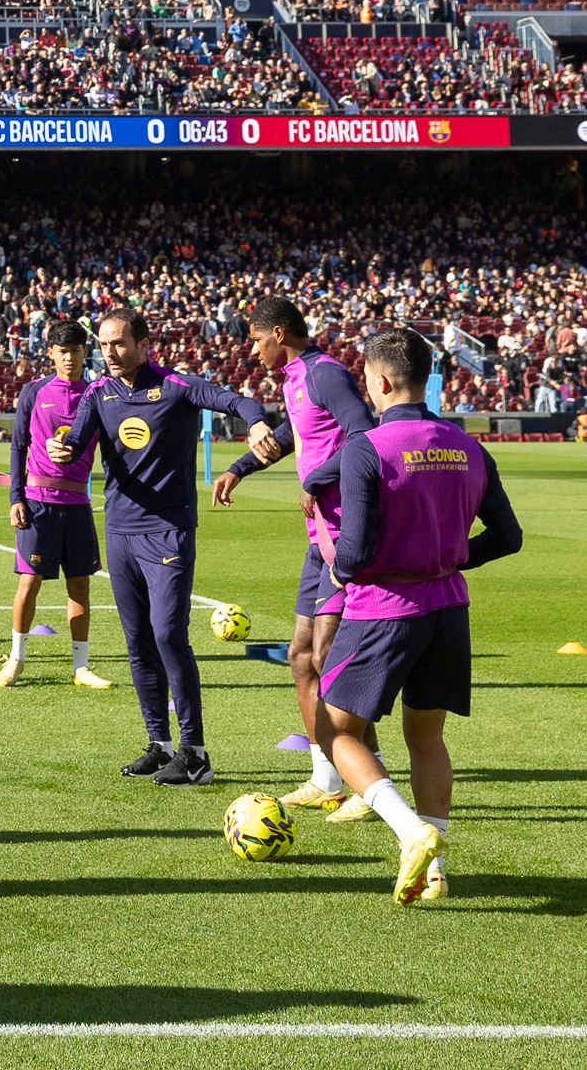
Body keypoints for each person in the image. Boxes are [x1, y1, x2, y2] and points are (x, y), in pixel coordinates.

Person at [315, 327, 525, 906]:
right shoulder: (468, 446)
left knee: (335, 731)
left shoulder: (367, 449)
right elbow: (508, 537)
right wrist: (453, 555)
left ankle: (412, 832)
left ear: (379, 381)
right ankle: (436, 874)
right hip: (449, 608)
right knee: (426, 737)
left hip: (383, 611)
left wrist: (329, 551)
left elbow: (353, 557)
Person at [64, 307, 267, 788]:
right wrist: (65, 449)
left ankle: (195, 752)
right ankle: (159, 744)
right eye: (105, 344)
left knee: (167, 635)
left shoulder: (177, 385)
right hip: (119, 531)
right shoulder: (99, 392)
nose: (110, 353)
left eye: (119, 343)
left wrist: (257, 423)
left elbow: (237, 402)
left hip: (168, 531)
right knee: (136, 642)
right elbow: (76, 437)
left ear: (142, 343)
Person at [208, 297, 375, 812]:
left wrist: (320, 478)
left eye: (256, 341)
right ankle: (326, 778)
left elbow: (365, 434)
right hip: (318, 534)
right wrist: (239, 466)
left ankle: (369, 779)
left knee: (326, 659)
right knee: (301, 658)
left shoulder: (325, 374)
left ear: (279, 334)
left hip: (346, 535)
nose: (253, 351)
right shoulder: (297, 378)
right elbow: (292, 434)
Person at [0, 319, 108, 691]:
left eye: (76, 352)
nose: (70, 359)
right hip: (38, 502)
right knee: (30, 582)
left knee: (80, 585)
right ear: (51, 354)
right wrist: (16, 497)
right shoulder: (34, 391)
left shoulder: (97, 393)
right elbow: (17, 447)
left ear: (83, 353)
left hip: (77, 502)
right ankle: (16, 657)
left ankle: (80, 666)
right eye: (63, 352)